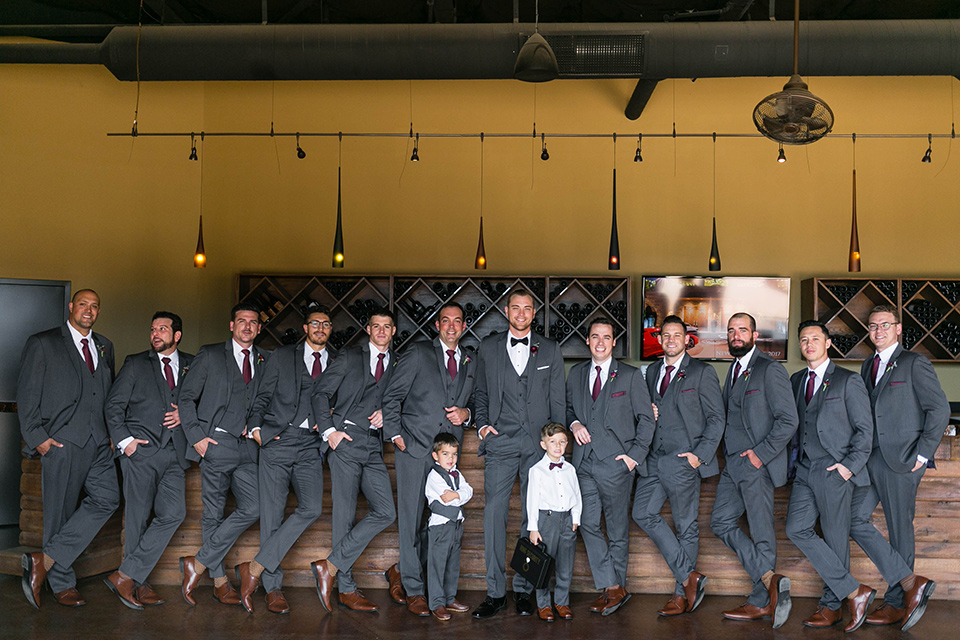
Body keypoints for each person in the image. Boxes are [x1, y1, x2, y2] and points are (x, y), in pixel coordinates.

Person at [18, 289, 120, 608]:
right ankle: (61, 582)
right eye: (83, 305)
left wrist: (114, 432)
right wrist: (38, 438)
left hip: (99, 442)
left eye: (94, 306)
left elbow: (107, 393)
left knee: (108, 498)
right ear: (71, 307)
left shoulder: (105, 346)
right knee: (59, 514)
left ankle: (43, 561)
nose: (88, 310)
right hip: (61, 441)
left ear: (98, 311)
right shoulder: (43, 342)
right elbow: (27, 392)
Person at [849, 304, 945, 632]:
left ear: (898, 328)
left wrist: (921, 456)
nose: (878, 331)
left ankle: (895, 603)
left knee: (899, 530)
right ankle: (909, 584)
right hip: (870, 459)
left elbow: (939, 409)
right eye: (873, 326)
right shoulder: (866, 365)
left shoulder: (914, 363)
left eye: (885, 325)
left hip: (902, 460)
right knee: (853, 519)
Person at [472, 289, 565, 619]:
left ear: (534, 312)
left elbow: (557, 401)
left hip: (537, 447)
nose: (522, 313)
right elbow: (480, 392)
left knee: (533, 518)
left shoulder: (551, 349)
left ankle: (524, 590)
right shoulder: (489, 347)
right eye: (516, 308)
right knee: (493, 516)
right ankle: (495, 593)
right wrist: (482, 425)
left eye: (527, 308)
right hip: (500, 442)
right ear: (506, 310)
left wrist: (556, 447)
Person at [379, 302, 477, 617]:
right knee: (410, 521)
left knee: (438, 523)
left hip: (448, 457)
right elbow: (392, 395)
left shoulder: (470, 359)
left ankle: (433, 587)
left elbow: (475, 400)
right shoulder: (419, 353)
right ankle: (414, 591)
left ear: (463, 326)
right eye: (445, 321)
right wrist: (395, 435)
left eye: (457, 321)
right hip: (414, 448)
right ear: (436, 326)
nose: (451, 326)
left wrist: (467, 413)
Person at [235, 306, 334, 614]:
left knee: (311, 508)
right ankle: (273, 588)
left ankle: (254, 567)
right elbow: (262, 396)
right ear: (305, 328)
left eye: (326, 324)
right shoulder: (281, 355)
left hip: (310, 445)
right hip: (277, 441)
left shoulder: (340, 361)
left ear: (331, 329)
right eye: (315, 323)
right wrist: (257, 430)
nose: (320, 328)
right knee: (272, 515)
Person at [785, 320, 877, 632]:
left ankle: (831, 605)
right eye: (803, 339)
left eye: (815, 338)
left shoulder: (848, 381)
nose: (808, 343)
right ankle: (853, 590)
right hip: (805, 469)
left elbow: (866, 430)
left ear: (827, 343)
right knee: (796, 528)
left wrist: (848, 465)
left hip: (835, 469)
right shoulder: (796, 380)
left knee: (835, 537)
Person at [710, 312, 798, 629]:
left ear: (755, 334)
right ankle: (770, 578)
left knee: (761, 532)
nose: (735, 335)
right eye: (731, 330)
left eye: (742, 330)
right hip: (732, 465)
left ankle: (761, 601)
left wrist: (759, 455)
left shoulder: (770, 370)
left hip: (755, 463)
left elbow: (788, 421)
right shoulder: (733, 370)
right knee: (719, 522)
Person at [632, 315, 723, 616]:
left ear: (687, 340)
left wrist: (700, 455)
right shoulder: (650, 372)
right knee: (642, 512)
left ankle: (680, 595)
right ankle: (689, 576)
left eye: (676, 335)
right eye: (665, 335)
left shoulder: (702, 372)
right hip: (653, 459)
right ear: (659, 339)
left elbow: (716, 418)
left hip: (684, 461)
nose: (670, 340)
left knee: (686, 527)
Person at [309, 308, 398, 613]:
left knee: (386, 511)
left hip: (373, 446)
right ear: (369, 330)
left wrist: (389, 414)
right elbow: (320, 394)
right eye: (377, 326)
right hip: (345, 441)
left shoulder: (397, 363)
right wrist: (330, 432)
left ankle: (329, 566)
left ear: (394, 331)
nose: (382, 331)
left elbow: (401, 398)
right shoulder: (349, 357)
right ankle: (345, 588)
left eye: (387, 327)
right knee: (344, 518)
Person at [178, 303, 266, 608]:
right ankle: (218, 581)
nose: (247, 326)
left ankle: (197, 563)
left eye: (252, 322)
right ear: (232, 326)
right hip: (214, 443)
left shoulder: (264, 359)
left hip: (246, 447)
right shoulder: (211, 354)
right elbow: (186, 397)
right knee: (213, 514)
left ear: (259, 328)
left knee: (255, 506)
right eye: (241, 321)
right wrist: (197, 438)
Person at [103, 311, 193, 609]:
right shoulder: (136, 363)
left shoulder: (193, 364)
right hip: (140, 452)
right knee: (138, 518)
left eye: (163, 329)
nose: (156, 333)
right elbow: (113, 406)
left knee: (174, 513)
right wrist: (126, 443)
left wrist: (186, 415)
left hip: (175, 453)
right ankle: (138, 583)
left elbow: (207, 402)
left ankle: (126, 575)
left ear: (176, 335)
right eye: (153, 328)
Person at [566, 317, 654, 616]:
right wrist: (575, 422)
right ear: (587, 340)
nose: (600, 342)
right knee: (588, 524)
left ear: (614, 342)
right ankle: (613, 586)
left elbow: (647, 418)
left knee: (616, 530)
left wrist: (634, 456)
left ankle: (613, 588)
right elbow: (567, 409)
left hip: (617, 464)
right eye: (595, 336)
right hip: (583, 463)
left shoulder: (629, 376)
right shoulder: (576, 373)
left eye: (606, 337)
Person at [526, 423, 581, 622]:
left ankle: (561, 602)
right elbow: (531, 500)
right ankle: (543, 604)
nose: (557, 446)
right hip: (546, 520)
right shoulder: (537, 470)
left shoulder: (570, 469)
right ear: (543, 444)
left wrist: (575, 517)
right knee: (544, 565)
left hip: (567, 520)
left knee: (565, 564)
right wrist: (533, 528)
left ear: (566, 443)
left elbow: (577, 494)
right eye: (552, 442)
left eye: (562, 442)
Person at [424, 432, 474, 621]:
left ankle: (449, 598)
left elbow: (469, 490)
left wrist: (456, 495)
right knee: (437, 565)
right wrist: (457, 496)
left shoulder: (457, 473)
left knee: (452, 565)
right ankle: (437, 603)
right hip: (441, 528)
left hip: (456, 527)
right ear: (435, 456)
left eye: (454, 454)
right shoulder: (434, 476)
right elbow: (446, 501)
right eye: (445, 454)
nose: (450, 458)